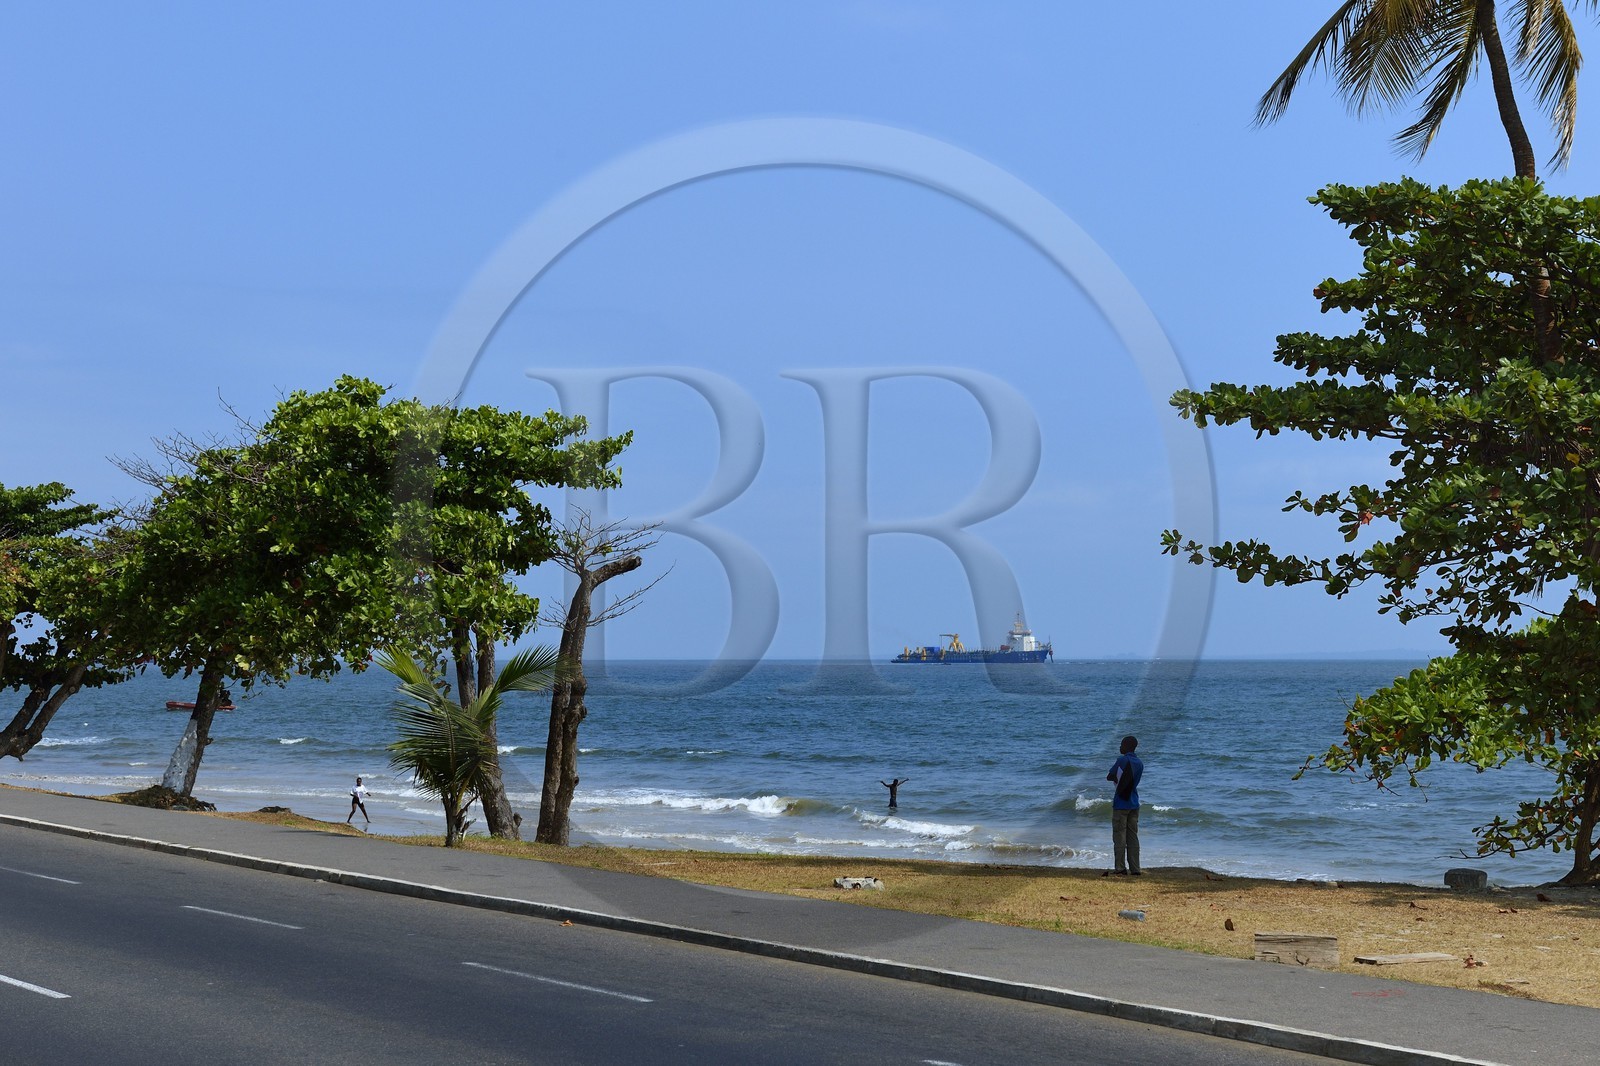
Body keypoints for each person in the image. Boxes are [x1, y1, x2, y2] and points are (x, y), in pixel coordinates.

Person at [1105, 736, 1142, 875]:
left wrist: (1116, 779)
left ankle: (1120, 868)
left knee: (1119, 836)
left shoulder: (1122, 760)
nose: (1120, 747)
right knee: (1133, 836)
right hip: (1134, 802)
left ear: (1126, 746)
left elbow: (1110, 776)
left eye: (1121, 745)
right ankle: (1135, 868)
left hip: (1121, 802)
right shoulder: (1139, 762)